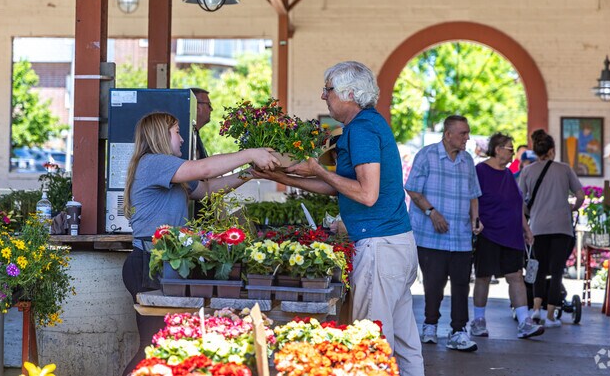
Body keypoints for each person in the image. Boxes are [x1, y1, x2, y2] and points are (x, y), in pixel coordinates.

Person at [252, 61, 424, 376]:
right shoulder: (367, 125)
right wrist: (285, 176)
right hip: (394, 243)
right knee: (403, 340)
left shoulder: (361, 128)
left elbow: (366, 193)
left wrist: (317, 168)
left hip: (379, 246)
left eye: (328, 90)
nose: (323, 96)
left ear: (348, 93)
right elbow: (339, 188)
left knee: (369, 343)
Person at [121, 112, 280, 376]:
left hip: (164, 263)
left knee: (167, 345)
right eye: (177, 132)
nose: (182, 139)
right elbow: (205, 169)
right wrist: (250, 153)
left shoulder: (171, 171)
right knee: (153, 346)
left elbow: (206, 189)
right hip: (148, 265)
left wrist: (249, 174)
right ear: (161, 135)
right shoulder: (153, 163)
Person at [405, 115, 482, 353]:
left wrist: (475, 220)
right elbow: (413, 189)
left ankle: (459, 331)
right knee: (433, 284)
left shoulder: (467, 160)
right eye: (463, 133)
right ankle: (430, 324)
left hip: (460, 235)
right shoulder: (426, 155)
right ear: (448, 134)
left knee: (461, 285)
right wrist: (432, 213)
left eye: (467, 133)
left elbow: (473, 194)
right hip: (430, 234)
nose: (467, 137)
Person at [469, 133, 544, 340]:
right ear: (498, 148)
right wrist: (475, 219)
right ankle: (478, 321)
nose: (513, 154)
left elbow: (516, 204)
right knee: (483, 277)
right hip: (489, 233)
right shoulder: (480, 171)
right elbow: (472, 199)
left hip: (512, 234)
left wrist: (526, 229)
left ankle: (524, 322)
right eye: (510, 149)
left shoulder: (509, 175)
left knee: (516, 277)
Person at [519, 129, 584, 328]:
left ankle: (536, 309)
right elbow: (581, 195)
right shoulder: (564, 169)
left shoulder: (527, 171)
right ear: (552, 150)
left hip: (538, 227)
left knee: (538, 270)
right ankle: (550, 316)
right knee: (556, 272)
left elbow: (519, 201)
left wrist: (527, 218)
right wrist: (572, 208)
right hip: (562, 227)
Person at [190, 87, 212, 160]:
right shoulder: (186, 136)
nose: (211, 109)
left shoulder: (194, 132)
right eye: (208, 105)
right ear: (196, 107)